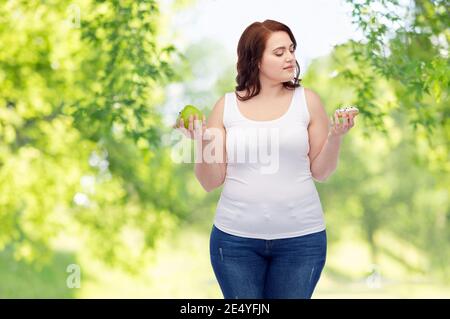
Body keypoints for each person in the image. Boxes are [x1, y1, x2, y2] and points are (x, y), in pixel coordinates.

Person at [174, 19, 356, 299]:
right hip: (234, 244)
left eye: (292, 49)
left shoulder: (308, 101)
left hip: (302, 242)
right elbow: (210, 181)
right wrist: (201, 140)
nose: (290, 58)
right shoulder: (226, 107)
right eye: (279, 52)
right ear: (255, 60)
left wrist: (336, 136)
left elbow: (321, 172)